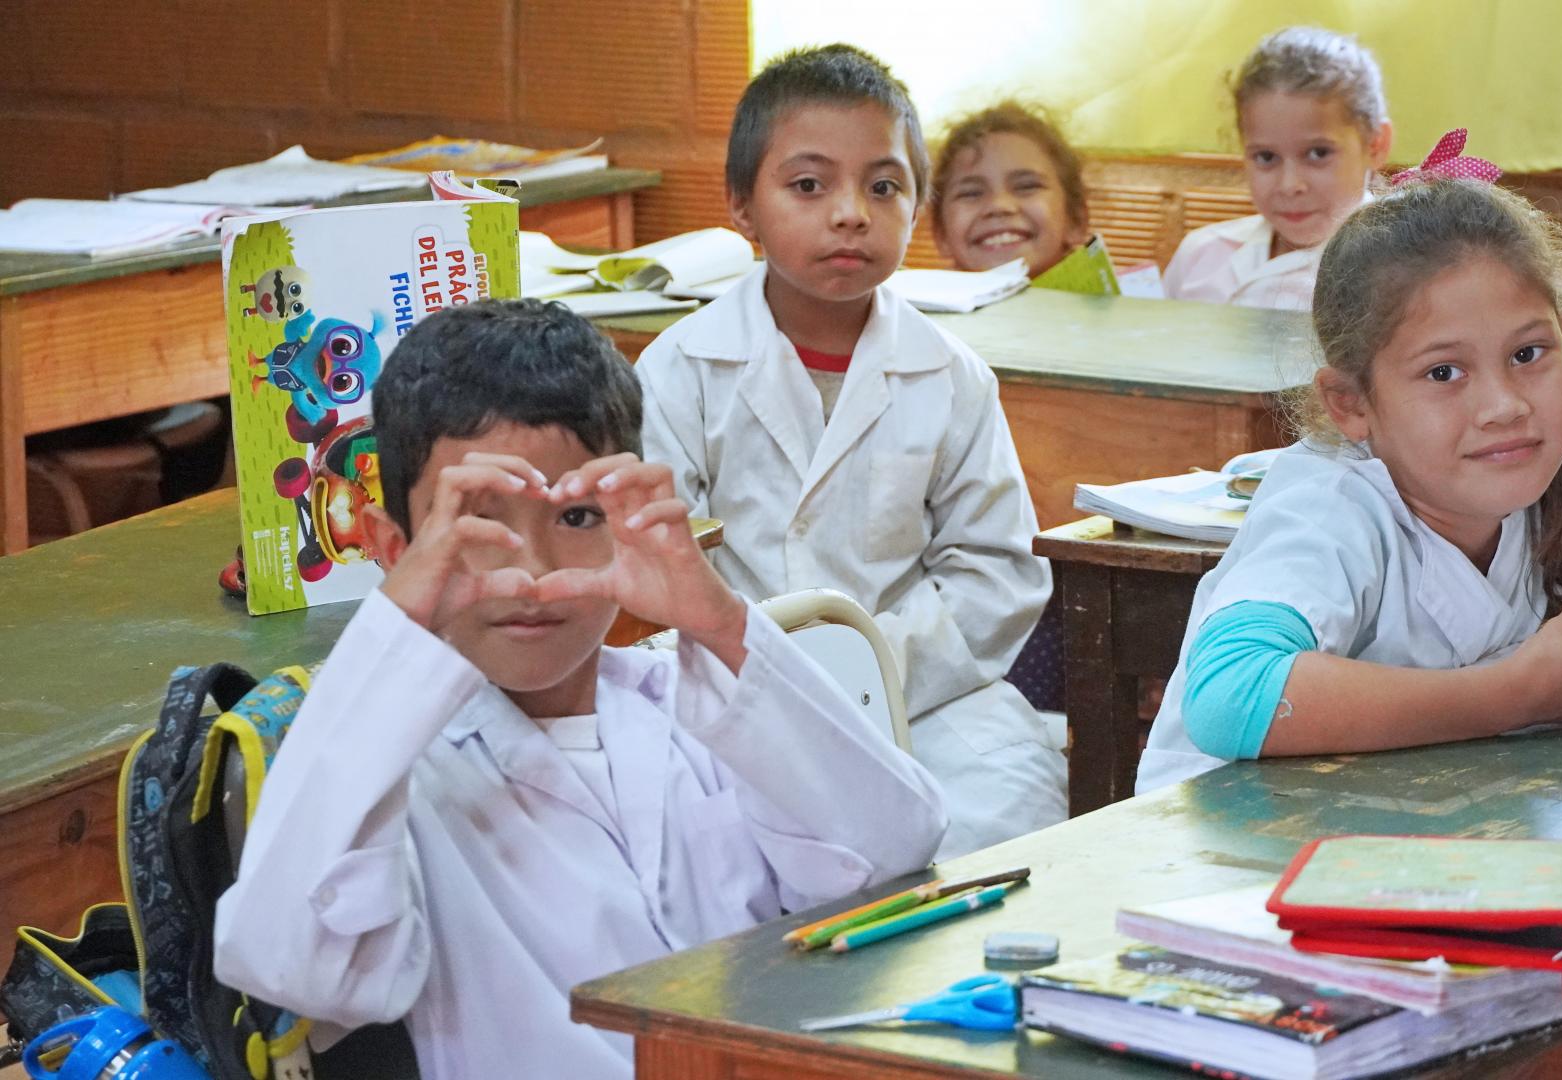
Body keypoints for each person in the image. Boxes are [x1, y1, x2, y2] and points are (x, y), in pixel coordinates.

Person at [214, 299, 947, 1080]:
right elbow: (287, 962)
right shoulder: (389, 777)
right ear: (395, 548)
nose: (530, 573)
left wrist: (723, 622)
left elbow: (893, 849)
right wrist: (399, 625)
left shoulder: (701, 702)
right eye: (475, 526)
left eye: (575, 514)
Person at [1137, 179, 1562, 791]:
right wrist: (1517, 694)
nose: (1503, 406)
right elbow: (1230, 696)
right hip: (1233, 863)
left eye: (1528, 354)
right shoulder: (1330, 507)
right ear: (1351, 403)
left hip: (1423, 851)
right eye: (1444, 372)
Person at [635, 45, 1067, 857]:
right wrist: (772, 672)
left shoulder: (951, 376)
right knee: (710, 845)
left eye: (883, 186)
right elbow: (657, 569)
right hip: (734, 691)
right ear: (741, 205)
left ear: (915, 204)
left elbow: (998, 573)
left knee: (1007, 820)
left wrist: (867, 668)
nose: (850, 213)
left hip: (927, 696)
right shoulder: (680, 371)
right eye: (809, 185)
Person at [1163, 26, 1392, 309]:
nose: (1290, 185)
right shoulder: (1200, 255)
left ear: (1375, 145)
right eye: (1266, 157)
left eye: (1318, 153)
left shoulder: (1401, 271)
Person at [931, 100, 1091, 278]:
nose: (999, 206)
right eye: (972, 193)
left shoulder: (1122, 301)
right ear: (941, 234)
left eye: (1027, 187)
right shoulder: (913, 303)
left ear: (1076, 219)